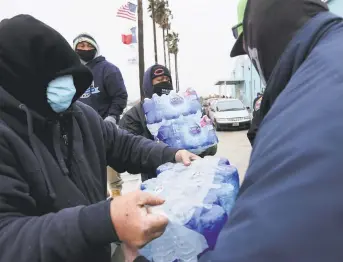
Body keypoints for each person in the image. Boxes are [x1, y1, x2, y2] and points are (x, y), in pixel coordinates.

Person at [0, 15, 197, 262]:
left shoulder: (81, 115)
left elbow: (125, 145)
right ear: (21, 77)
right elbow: (7, 237)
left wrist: (172, 154)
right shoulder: (6, 135)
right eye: (54, 81)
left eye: (70, 79)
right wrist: (103, 220)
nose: (68, 90)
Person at [199, 0, 343, 261]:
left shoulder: (304, 106)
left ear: (261, 31)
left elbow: (263, 245)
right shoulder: (324, 63)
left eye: (246, 46)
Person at [119, 64, 217, 181]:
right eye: (159, 80)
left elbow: (209, 147)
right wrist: (166, 151)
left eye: (167, 80)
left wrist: (205, 142)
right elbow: (130, 153)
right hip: (156, 181)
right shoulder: (134, 115)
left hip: (190, 176)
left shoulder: (184, 107)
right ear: (148, 85)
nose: (164, 83)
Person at [73, 33, 128, 196]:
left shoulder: (108, 69)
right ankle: (99, 201)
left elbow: (120, 95)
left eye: (88, 45)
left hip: (105, 126)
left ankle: (117, 197)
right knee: (87, 170)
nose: (85, 49)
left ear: (95, 48)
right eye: (81, 46)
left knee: (111, 168)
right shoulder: (73, 72)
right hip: (79, 129)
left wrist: (112, 117)